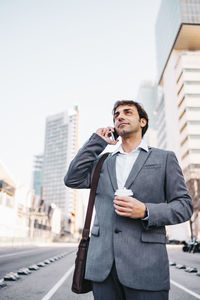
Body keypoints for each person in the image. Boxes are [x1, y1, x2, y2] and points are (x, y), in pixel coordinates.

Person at [64, 100, 193, 300]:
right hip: (102, 269)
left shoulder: (164, 158)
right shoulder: (102, 163)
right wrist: (96, 142)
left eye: (127, 112)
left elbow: (184, 206)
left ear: (142, 122)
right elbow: (72, 178)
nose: (120, 117)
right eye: (116, 115)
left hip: (146, 268)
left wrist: (146, 211)